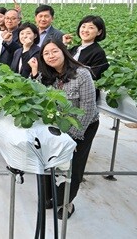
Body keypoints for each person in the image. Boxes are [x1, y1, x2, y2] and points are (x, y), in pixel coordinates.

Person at [28, 40, 99, 219]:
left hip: (83, 125)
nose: (51, 56)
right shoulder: (48, 75)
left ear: (64, 52)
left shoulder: (82, 74)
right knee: (47, 160)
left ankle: (66, 202)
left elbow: (88, 108)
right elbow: (37, 94)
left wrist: (73, 138)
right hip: (57, 123)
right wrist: (35, 73)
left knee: (72, 165)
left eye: (55, 51)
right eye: (46, 53)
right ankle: (48, 196)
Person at [63, 15, 109, 96]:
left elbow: (93, 78)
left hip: (83, 95)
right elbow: (61, 61)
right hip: (66, 90)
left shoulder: (98, 52)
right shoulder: (75, 49)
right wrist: (64, 44)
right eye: (83, 26)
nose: (85, 30)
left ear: (99, 32)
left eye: (91, 28)